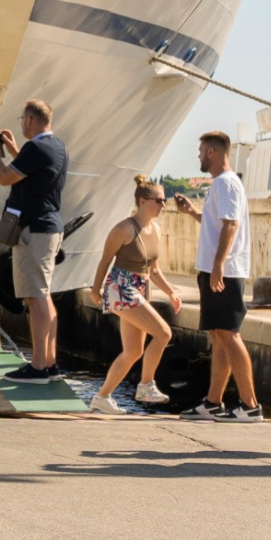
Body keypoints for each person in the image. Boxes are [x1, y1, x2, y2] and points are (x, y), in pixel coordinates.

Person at [173, 131, 260, 421]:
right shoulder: (222, 185)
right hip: (216, 269)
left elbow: (231, 225)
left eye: (200, 151)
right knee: (218, 335)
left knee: (229, 335)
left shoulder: (226, 183)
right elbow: (218, 223)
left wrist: (219, 265)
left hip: (224, 271)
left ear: (212, 152)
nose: (198, 155)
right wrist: (193, 213)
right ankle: (213, 402)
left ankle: (250, 405)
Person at [0, 99, 69, 383]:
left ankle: (37, 367)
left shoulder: (36, 148)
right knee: (43, 294)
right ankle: (50, 362)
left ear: (30, 120)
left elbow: (6, 177)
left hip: (35, 229)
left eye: (23, 119)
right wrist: (13, 151)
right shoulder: (56, 146)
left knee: (35, 296)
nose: (21, 124)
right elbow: (32, 176)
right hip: (48, 227)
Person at [87, 176, 181, 414]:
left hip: (140, 288)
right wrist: (96, 290)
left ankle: (102, 397)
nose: (163, 205)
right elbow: (105, 261)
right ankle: (146, 385)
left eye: (164, 200)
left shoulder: (157, 230)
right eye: (158, 200)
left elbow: (154, 270)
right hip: (120, 287)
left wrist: (171, 293)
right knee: (163, 333)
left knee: (134, 352)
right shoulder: (123, 229)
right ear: (142, 201)